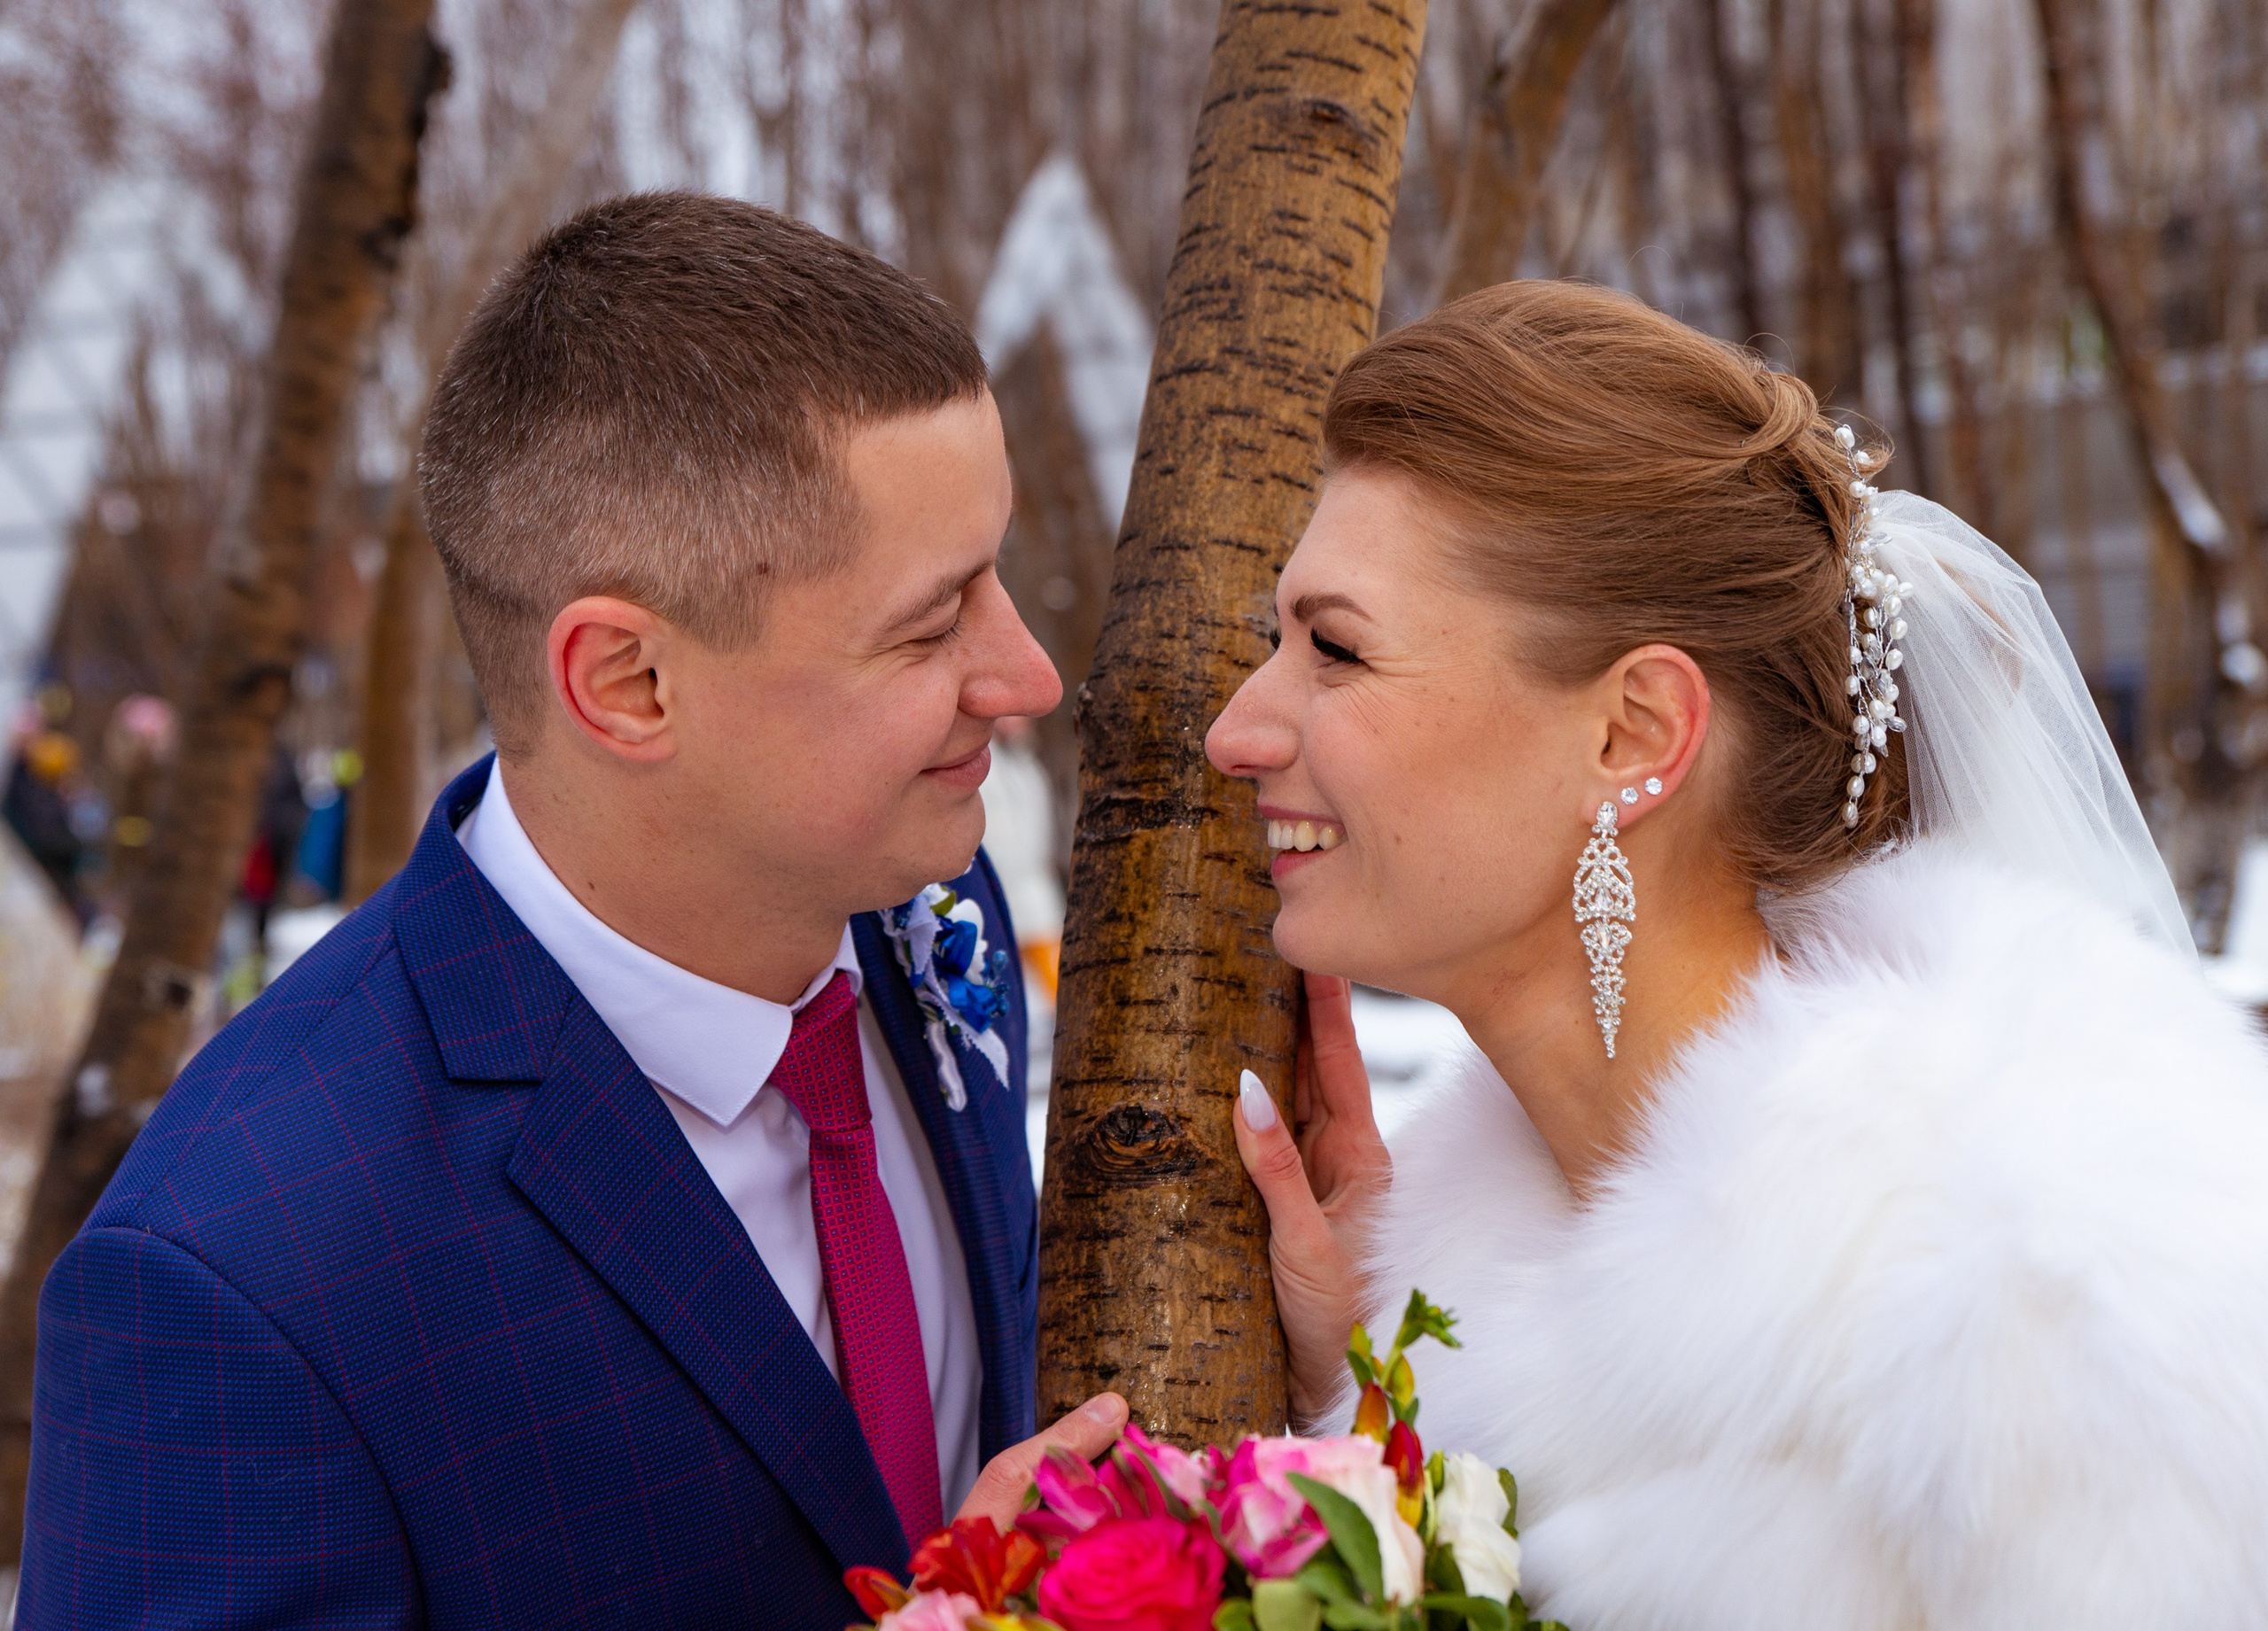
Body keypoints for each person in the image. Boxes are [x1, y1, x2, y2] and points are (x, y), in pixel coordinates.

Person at [19, 194, 1126, 1629]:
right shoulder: (240, 1282)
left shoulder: (926, 896)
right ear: (628, 682)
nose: (1029, 674)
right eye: (933, 622)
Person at [1210, 281, 2268, 1627]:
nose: (1237, 729)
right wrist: (1361, 1391)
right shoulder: (1448, 1306)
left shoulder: (2062, 1310)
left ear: (1633, 734)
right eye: (1275, 639)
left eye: (1336, 650)